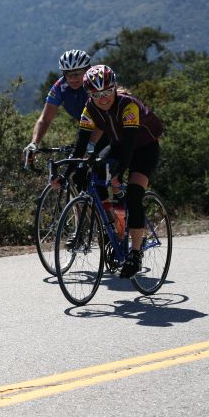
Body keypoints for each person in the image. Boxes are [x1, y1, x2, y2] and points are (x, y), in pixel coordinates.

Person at [73, 64, 165, 278]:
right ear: (89, 94)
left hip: (144, 148)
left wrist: (118, 173)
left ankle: (135, 253)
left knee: (133, 194)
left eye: (106, 92)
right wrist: (74, 167)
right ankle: (113, 224)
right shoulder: (89, 109)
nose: (103, 98)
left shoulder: (128, 105)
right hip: (118, 144)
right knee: (94, 173)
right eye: (96, 94)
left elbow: (131, 144)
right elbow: (81, 143)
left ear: (114, 88)